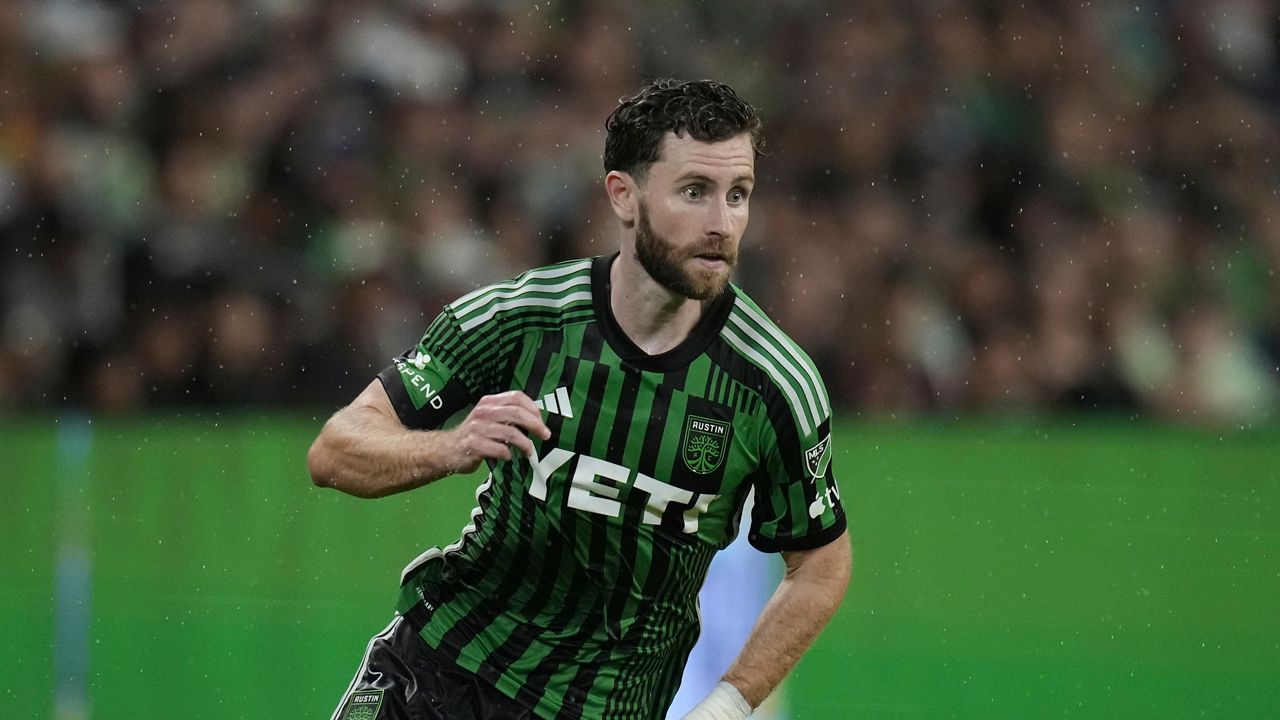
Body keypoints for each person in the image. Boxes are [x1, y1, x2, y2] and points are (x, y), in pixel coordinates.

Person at [308, 78, 851, 720]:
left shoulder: (774, 385)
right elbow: (335, 451)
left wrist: (730, 704)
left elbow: (819, 562)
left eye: (738, 196)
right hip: (439, 672)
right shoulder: (521, 318)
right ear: (624, 196)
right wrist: (452, 446)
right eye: (695, 192)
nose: (721, 222)